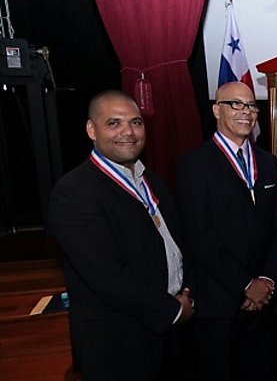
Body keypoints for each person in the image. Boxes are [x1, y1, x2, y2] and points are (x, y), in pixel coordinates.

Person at [47, 90, 193, 380]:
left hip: (167, 335)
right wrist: (171, 311)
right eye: (114, 123)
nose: (128, 131)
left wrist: (186, 293)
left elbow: (180, 245)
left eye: (136, 122)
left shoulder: (153, 181)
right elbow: (107, 275)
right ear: (92, 130)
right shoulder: (74, 192)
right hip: (119, 342)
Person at [176, 82, 277, 381]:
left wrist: (265, 280)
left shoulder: (268, 162)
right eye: (236, 104)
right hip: (218, 301)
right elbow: (200, 237)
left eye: (251, 106)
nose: (246, 112)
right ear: (216, 110)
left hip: (262, 301)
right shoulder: (194, 165)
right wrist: (245, 284)